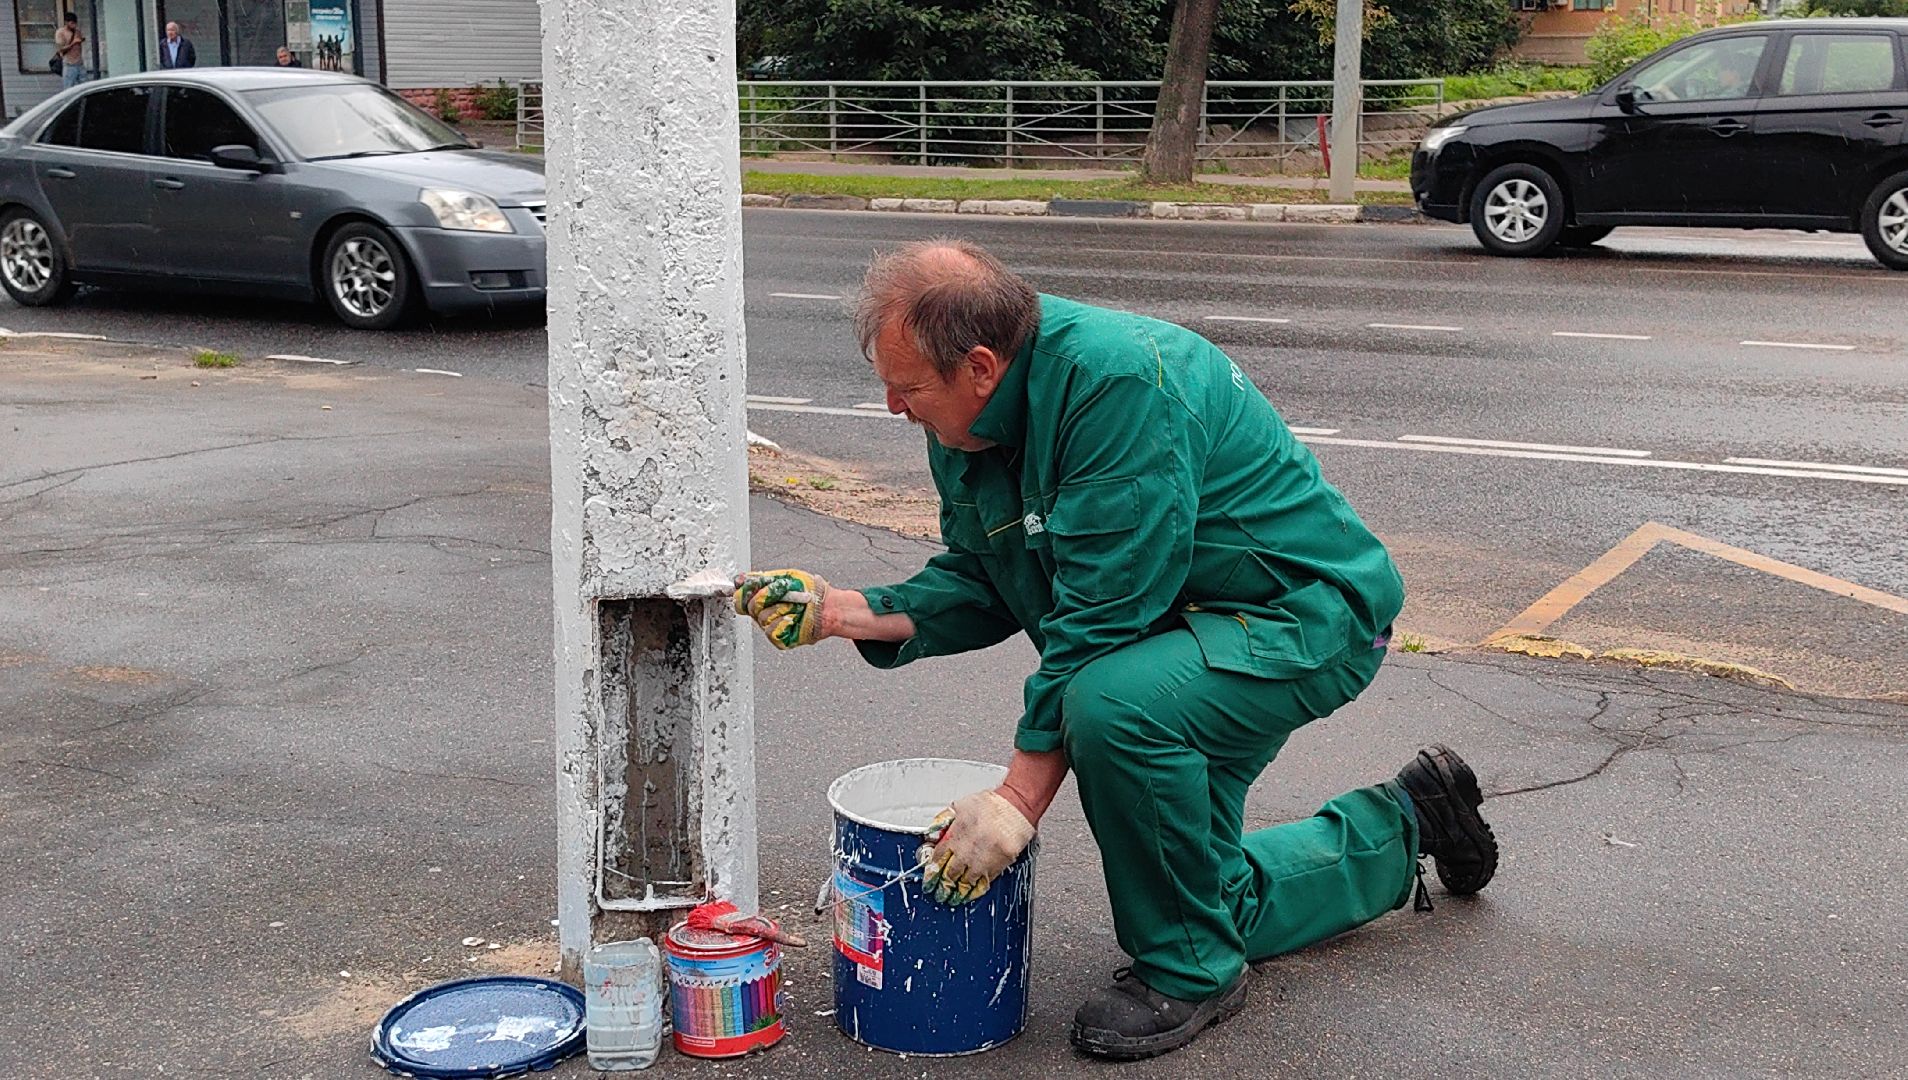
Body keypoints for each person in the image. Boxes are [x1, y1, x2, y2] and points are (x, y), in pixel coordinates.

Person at [733, 240, 1500, 1061]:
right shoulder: (965, 419)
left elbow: (1102, 617)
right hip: (1182, 628)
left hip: (1300, 621)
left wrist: (1017, 800)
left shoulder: (1119, 384)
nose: (892, 405)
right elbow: (992, 574)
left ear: (982, 365)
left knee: (1114, 706)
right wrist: (850, 612)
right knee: (1202, 893)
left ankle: (1190, 972)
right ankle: (1409, 820)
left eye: (908, 387)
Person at [54, 11, 85, 88]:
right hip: (69, 64)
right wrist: (73, 43)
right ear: (66, 22)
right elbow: (60, 49)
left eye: (75, 23)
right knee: (69, 87)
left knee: (84, 87)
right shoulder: (61, 32)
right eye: (72, 23)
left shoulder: (77, 31)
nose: (74, 25)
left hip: (80, 63)